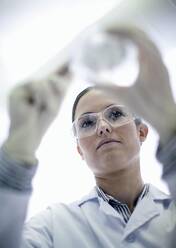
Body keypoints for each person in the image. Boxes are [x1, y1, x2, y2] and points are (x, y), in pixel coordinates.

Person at [0, 26, 176, 248]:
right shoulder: (52, 225)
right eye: (87, 123)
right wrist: (16, 155)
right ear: (80, 150)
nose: (102, 127)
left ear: (141, 132)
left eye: (115, 114)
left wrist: (172, 131)